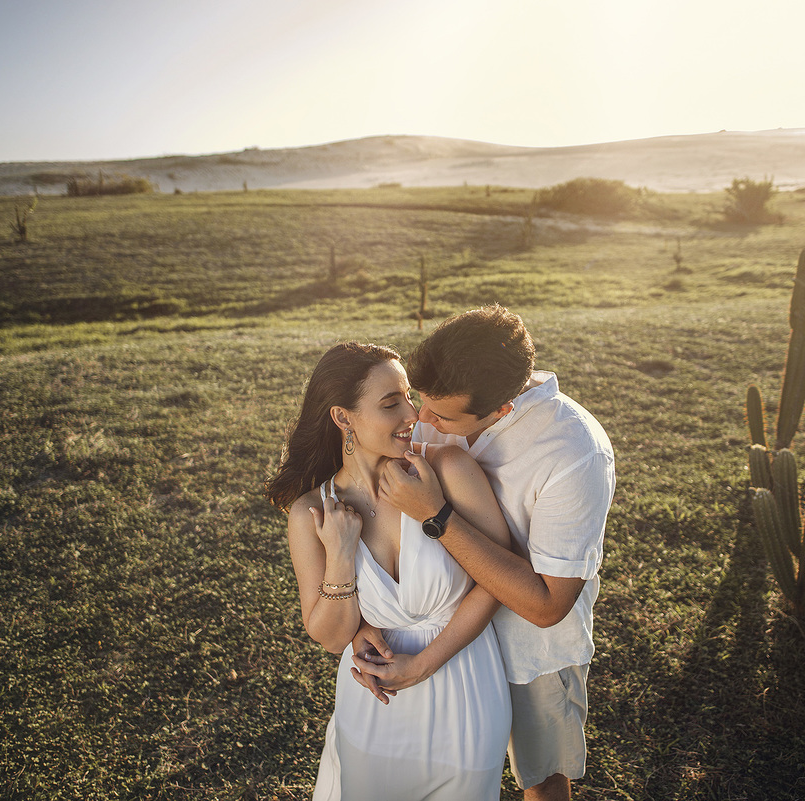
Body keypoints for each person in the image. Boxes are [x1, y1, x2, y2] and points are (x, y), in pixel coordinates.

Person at [355, 305, 616, 801]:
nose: (420, 420)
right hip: (430, 629)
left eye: (441, 415)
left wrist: (437, 516)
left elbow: (546, 606)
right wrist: (364, 618)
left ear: (502, 411)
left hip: (529, 653)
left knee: (540, 779)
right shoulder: (431, 407)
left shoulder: (574, 451)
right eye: (417, 401)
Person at [263, 341, 513, 801]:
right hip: (375, 703)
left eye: (408, 397)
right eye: (390, 403)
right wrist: (340, 555)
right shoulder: (311, 513)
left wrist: (423, 665)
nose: (413, 415)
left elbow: (498, 581)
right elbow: (332, 637)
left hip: (464, 690)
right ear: (343, 418)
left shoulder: (449, 470)